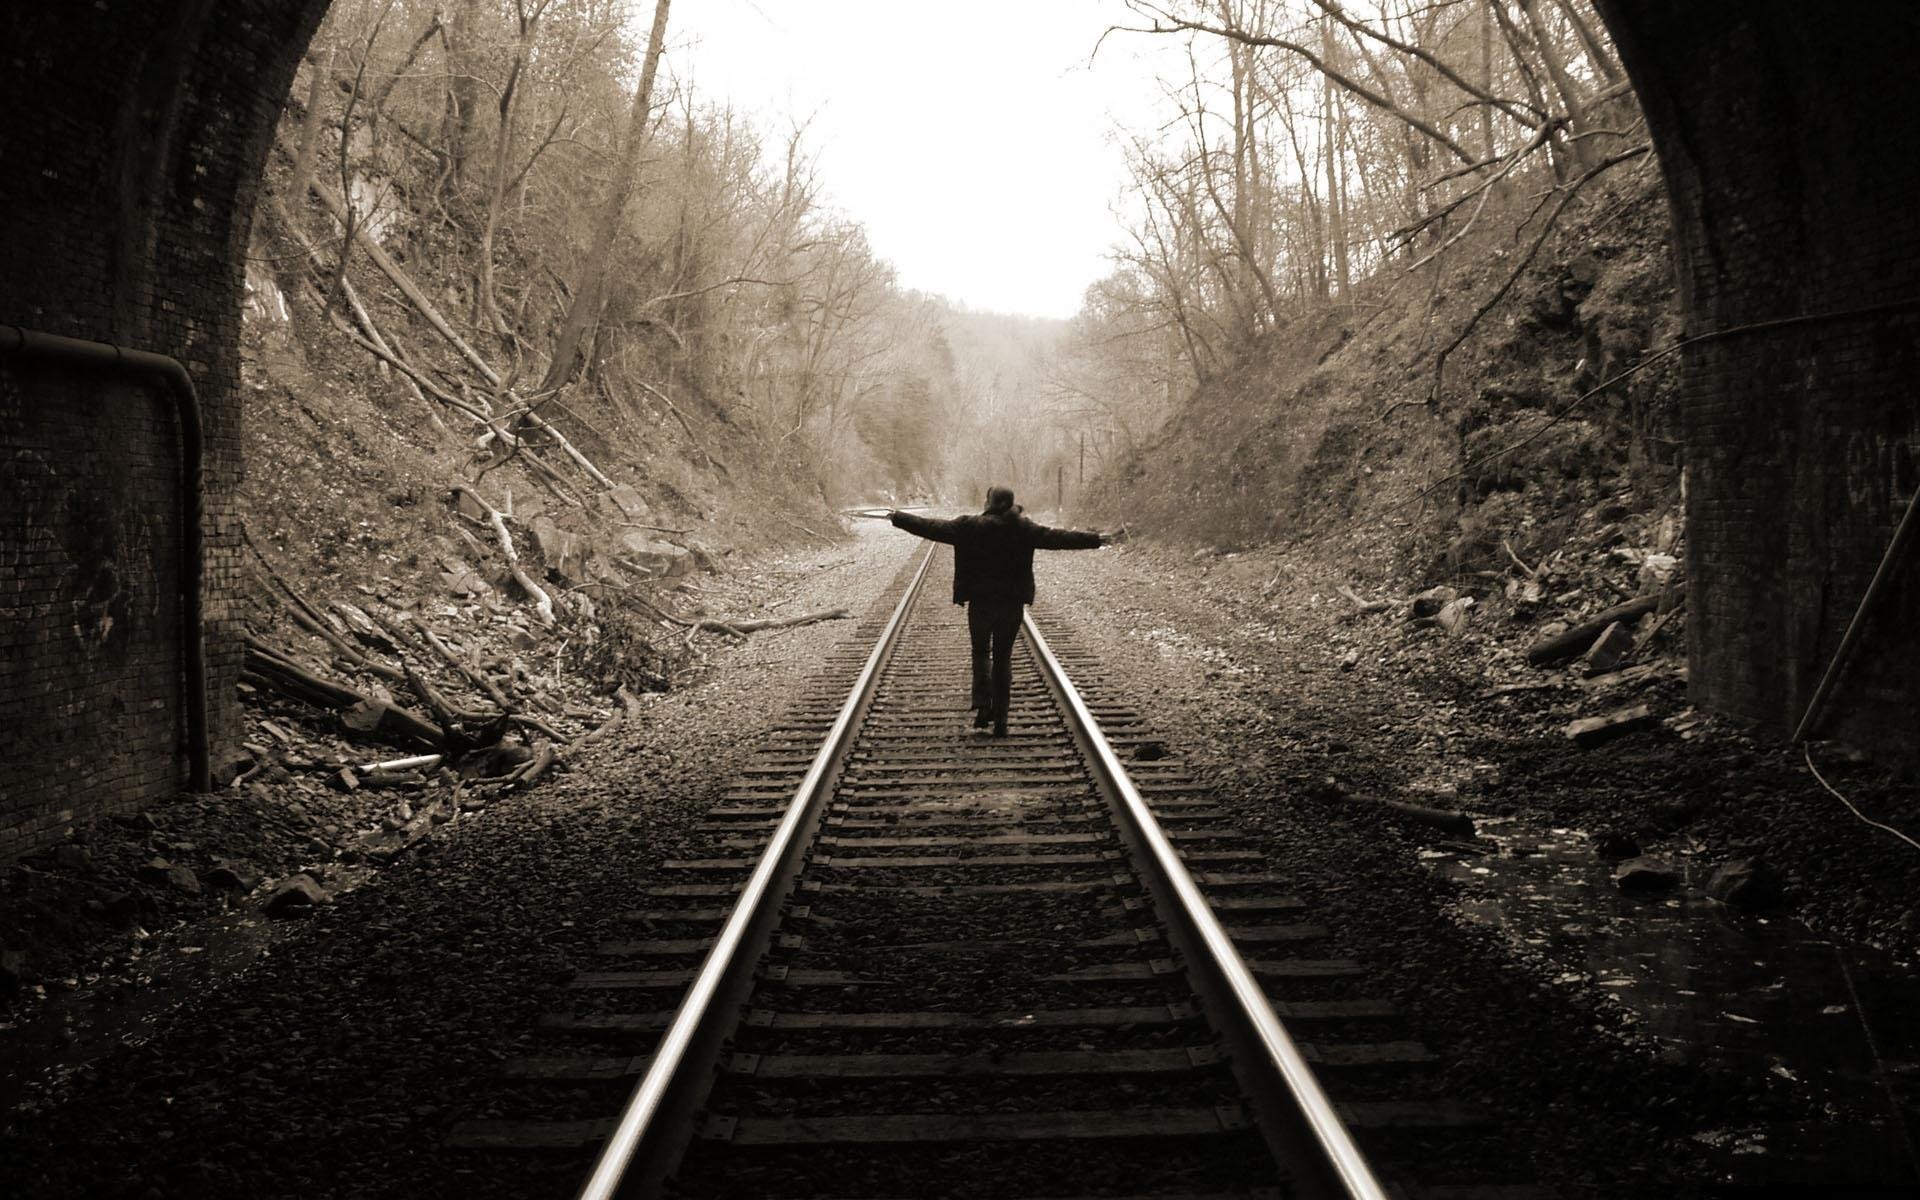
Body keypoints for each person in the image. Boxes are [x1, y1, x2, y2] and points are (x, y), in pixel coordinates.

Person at [887, 487, 1114, 736]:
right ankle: (1002, 719)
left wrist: (898, 517)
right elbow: (1057, 538)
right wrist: (1095, 539)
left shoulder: (969, 526)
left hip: (981, 603)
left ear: (989, 502)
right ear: (1010, 504)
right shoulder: (1024, 528)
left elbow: (930, 526)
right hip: (1011, 603)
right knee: (1003, 657)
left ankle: (984, 705)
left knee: (981, 652)